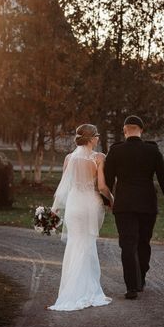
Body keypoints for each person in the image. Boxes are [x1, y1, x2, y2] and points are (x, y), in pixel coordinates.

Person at [104, 115, 164, 299]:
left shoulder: (116, 151)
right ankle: (141, 279)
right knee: (143, 242)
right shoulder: (152, 151)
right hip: (147, 204)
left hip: (124, 205)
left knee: (127, 244)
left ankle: (131, 287)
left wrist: (107, 202)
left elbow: (107, 179)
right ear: (141, 130)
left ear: (125, 130)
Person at [48, 124, 114, 311]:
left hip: (74, 205)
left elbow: (63, 188)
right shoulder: (99, 157)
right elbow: (101, 187)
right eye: (97, 136)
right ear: (92, 139)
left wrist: (55, 210)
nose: (99, 138)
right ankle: (85, 291)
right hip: (89, 205)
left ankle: (72, 290)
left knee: (75, 244)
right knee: (87, 245)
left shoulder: (69, 158)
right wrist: (112, 198)